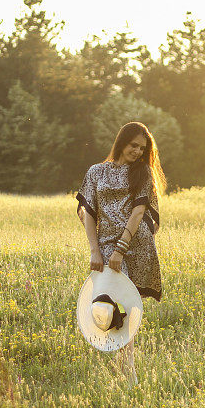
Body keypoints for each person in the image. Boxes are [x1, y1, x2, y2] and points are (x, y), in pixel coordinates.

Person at [76, 122, 166, 386]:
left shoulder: (143, 173)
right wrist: (95, 250)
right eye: (133, 145)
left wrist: (121, 249)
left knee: (127, 304)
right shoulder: (96, 172)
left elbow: (139, 211)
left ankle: (128, 369)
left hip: (136, 246)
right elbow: (87, 213)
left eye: (142, 148)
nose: (137, 151)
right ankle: (123, 366)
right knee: (106, 303)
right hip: (105, 244)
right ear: (121, 142)